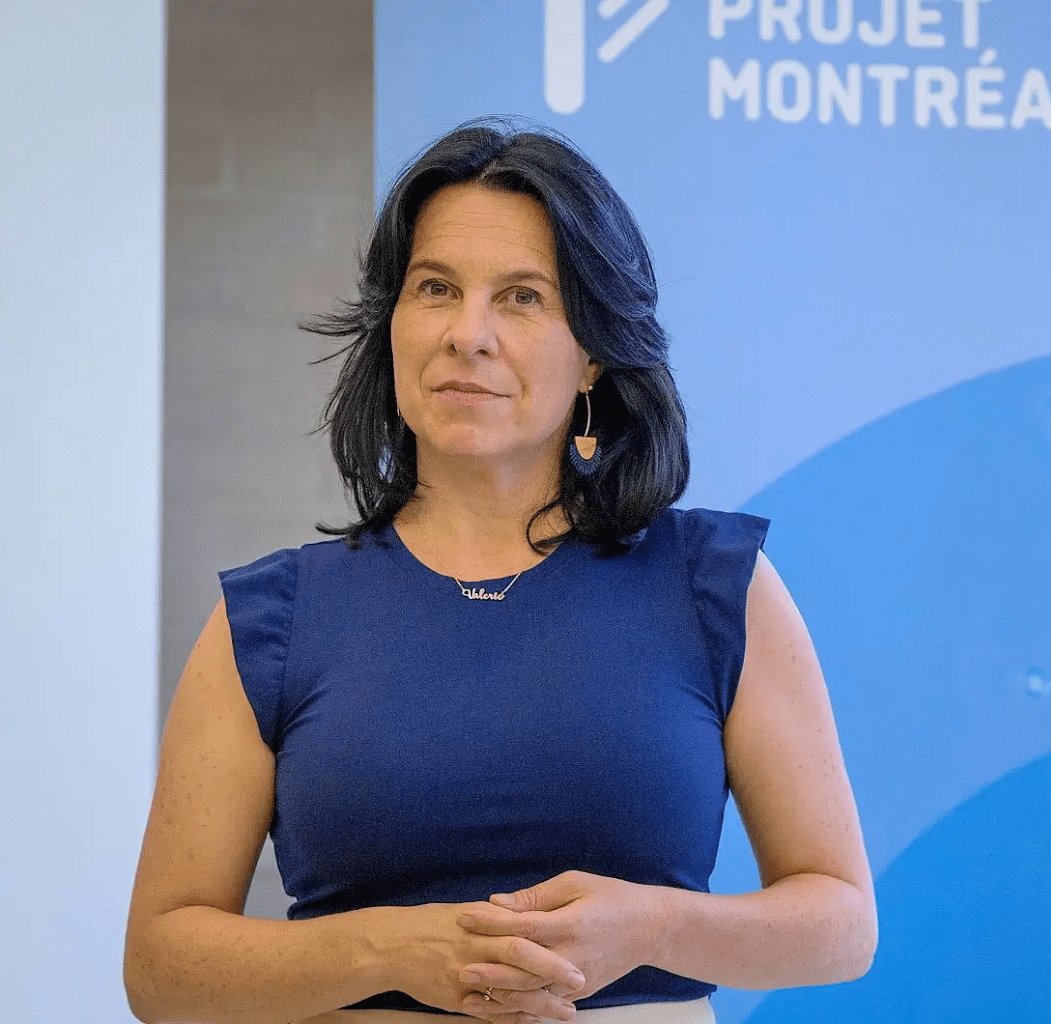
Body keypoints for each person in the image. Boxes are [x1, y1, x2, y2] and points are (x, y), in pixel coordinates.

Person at [123, 121, 876, 1024]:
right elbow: (159, 969)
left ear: (594, 351)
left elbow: (841, 924)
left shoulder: (713, 585)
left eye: (522, 297)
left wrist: (651, 927)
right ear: (393, 324)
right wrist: (389, 949)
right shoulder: (273, 617)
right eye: (435, 288)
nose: (466, 334)